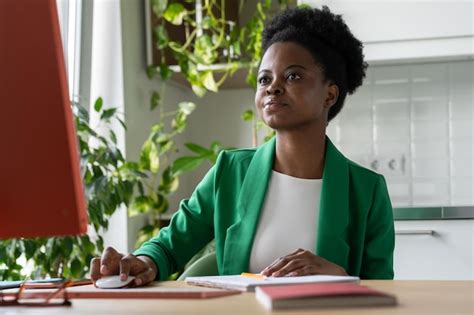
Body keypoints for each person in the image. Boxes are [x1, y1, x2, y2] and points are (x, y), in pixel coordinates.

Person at [90, 6, 394, 287]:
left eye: (293, 76)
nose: (272, 87)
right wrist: (142, 262)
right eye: (264, 79)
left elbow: (385, 289)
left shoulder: (367, 191)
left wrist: (339, 276)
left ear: (329, 95)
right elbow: (169, 247)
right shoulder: (229, 171)